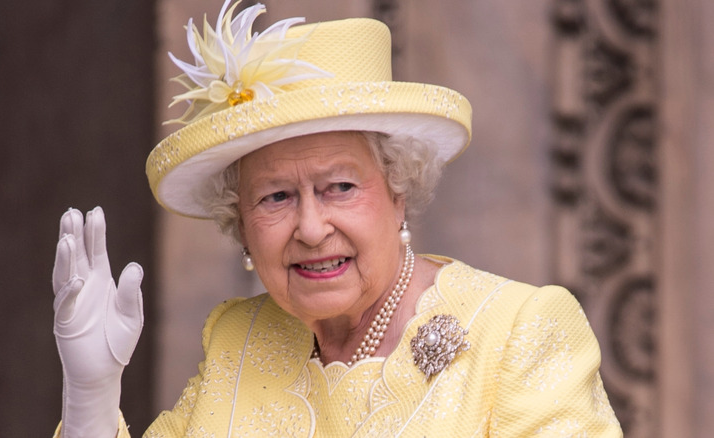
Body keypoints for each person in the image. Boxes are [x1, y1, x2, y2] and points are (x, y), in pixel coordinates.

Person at [51, 1, 623, 436]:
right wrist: (91, 397)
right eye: (275, 197)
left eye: (340, 187)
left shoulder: (520, 331)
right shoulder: (239, 340)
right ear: (241, 225)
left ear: (398, 189)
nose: (311, 227)